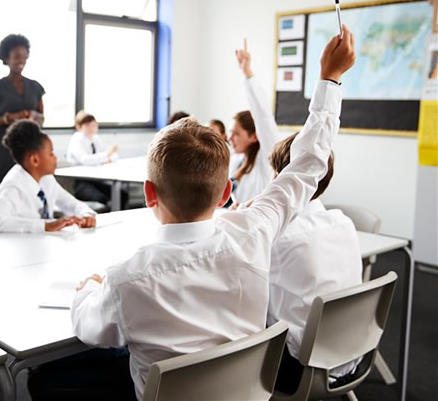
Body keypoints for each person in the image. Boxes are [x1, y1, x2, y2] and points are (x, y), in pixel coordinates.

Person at [70, 25, 355, 400]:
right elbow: (308, 164)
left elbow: (87, 326)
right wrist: (330, 79)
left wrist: (88, 290)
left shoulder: (125, 281)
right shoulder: (254, 231)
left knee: (57, 372)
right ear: (225, 193)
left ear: (149, 194)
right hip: (246, 392)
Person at [267, 132, 363, 393]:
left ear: (282, 179)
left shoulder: (279, 238)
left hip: (298, 370)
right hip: (352, 356)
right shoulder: (343, 222)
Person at [0, 120, 97, 233]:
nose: (55, 158)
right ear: (34, 160)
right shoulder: (14, 186)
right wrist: (45, 226)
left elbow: (71, 204)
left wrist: (86, 214)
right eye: (51, 153)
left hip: (44, 243)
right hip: (23, 246)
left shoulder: (46, 179)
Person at [0, 34, 45, 187]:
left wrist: (33, 116)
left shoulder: (35, 87)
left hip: (30, 145)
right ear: (6, 58)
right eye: (17, 57)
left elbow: (42, 118)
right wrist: (8, 118)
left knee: (31, 189)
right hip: (4, 148)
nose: (21, 61)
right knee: (5, 190)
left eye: (24, 57)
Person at [228, 39, 281, 205]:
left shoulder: (266, 159)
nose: (230, 138)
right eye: (230, 133)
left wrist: (247, 72)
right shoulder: (237, 160)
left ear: (254, 136)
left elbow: (263, 116)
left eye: (236, 134)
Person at [66, 110, 128, 208]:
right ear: (79, 127)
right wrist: (107, 155)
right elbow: (85, 159)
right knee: (101, 199)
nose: (92, 128)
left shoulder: (95, 138)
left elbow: (114, 156)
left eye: (94, 125)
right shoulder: (76, 139)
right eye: (88, 125)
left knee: (122, 195)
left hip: (97, 180)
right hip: (81, 183)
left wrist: (108, 156)